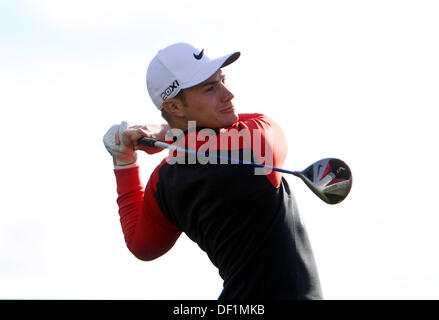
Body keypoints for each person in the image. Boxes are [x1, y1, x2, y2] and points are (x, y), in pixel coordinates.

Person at [103, 42, 322, 299]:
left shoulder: (163, 180)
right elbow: (264, 123)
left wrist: (124, 162)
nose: (228, 94)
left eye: (222, 81)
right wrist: (169, 135)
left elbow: (143, 246)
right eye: (210, 88)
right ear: (174, 107)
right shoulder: (252, 147)